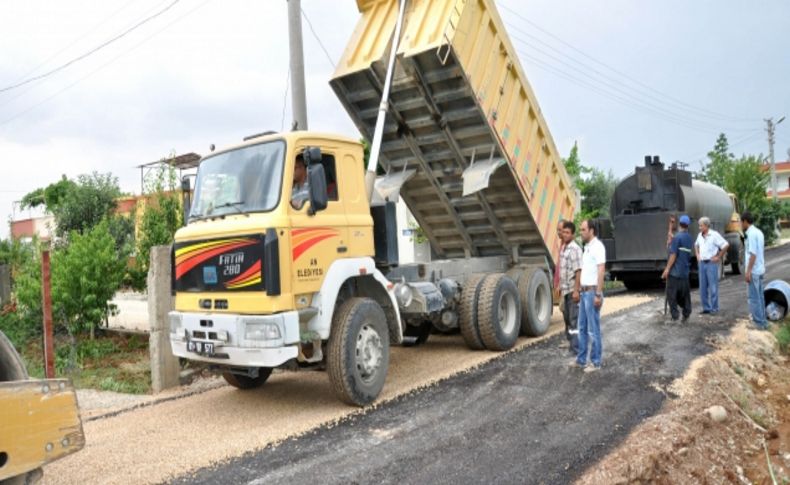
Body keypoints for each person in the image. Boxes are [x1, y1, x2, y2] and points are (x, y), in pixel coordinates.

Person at [572, 219, 606, 372]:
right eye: (580, 229)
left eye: (583, 229)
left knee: (593, 330)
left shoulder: (598, 247)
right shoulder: (586, 247)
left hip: (593, 292)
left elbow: (601, 270)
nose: (581, 232)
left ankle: (596, 362)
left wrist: (598, 294)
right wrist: (578, 289)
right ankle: (581, 360)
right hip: (585, 293)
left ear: (591, 230)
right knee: (582, 327)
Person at [694, 216, 729, 315]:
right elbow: (696, 245)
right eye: (699, 226)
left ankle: (714, 308)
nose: (699, 228)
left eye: (701, 226)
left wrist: (718, 257)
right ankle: (706, 308)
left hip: (711, 263)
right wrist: (697, 254)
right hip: (702, 263)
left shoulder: (714, 235)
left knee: (713, 287)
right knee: (703, 287)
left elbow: (726, 245)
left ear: (706, 226)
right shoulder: (699, 235)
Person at [662, 214, 693, 322]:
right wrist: (670, 226)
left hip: (675, 273)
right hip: (684, 272)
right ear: (688, 225)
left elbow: (673, 255)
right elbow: (672, 239)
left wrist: (667, 269)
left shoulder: (677, 238)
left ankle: (675, 316)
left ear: (679, 224)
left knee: (671, 295)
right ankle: (686, 313)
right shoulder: (689, 238)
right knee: (684, 295)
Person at [558, 220, 582, 354]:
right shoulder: (564, 249)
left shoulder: (574, 249)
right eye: (564, 232)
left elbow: (578, 271)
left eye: (568, 233)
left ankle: (576, 349)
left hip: (572, 291)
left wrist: (576, 291)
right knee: (567, 319)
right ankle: (573, 345)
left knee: (573, 321)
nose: (565, 235)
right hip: (565, 291)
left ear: (572, 235)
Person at [741, 212, 768, 330]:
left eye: (741, 222)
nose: (741, 225)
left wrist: (748, 272)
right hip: (760, 269)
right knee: (760, 297)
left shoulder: (751, 234)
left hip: (754, 271)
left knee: (754, 298)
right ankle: (763, 322)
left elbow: (753, 254)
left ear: (745, 221)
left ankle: (758, 323)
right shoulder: (759, 232)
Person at [554, 219, 566, 303]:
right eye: (557, 230)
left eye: (560, 230)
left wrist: (560, 285)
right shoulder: (562, 243)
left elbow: (565, 268)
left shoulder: (567, 246)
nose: (558, 232)